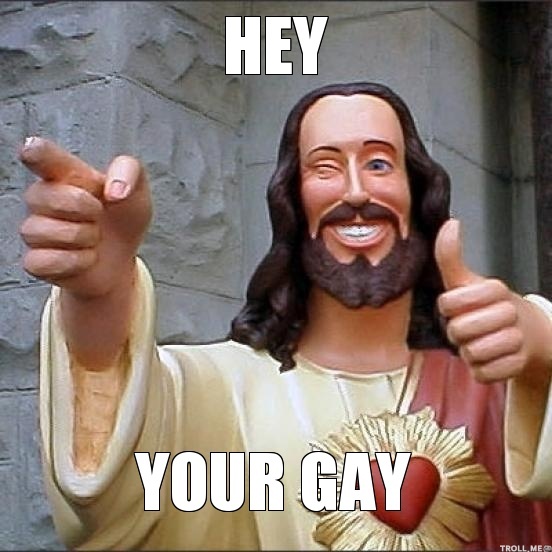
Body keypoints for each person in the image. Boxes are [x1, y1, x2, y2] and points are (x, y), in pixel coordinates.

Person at [19, 82, 552, 550]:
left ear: (416, 192)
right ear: (292, 201)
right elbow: (114, 492)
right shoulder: (222, 390)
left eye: (378, 163)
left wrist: (543, 353)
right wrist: (101, 297)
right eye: (325, 167)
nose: (356, 191)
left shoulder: (501, 394)